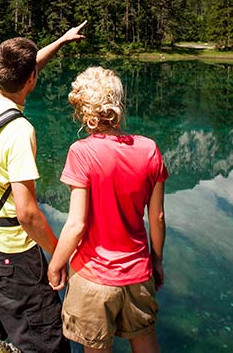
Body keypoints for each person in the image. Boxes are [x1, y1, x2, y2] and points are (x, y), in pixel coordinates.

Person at [0, 21, 87, 353]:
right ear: (30, 80)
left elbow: (27, 67)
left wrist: (60, 40)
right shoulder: (19, 131)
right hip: (13, 255)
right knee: (48, 345)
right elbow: (28, 213)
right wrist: (59, 253)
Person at [47, 67, 169, 353]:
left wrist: (55, 265)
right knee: (146, 344)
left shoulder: (82, 152)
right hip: (139, 272)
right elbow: (158, 218)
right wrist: (158, 261)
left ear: (82, 110)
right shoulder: (149, 149)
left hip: (93, 278)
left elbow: (76, 224)